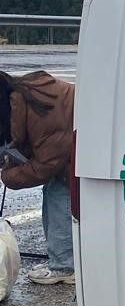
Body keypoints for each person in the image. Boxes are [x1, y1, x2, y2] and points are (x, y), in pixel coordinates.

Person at [0, 69, 76, 285]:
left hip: (78, 156)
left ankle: (65, 266)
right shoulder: (25, 94)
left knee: (60, 195)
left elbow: (45, 165)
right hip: (76, 151)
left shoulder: (40, 111)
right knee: (55, 192)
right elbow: (32, 139)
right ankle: (61, 260)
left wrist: (8, 176)